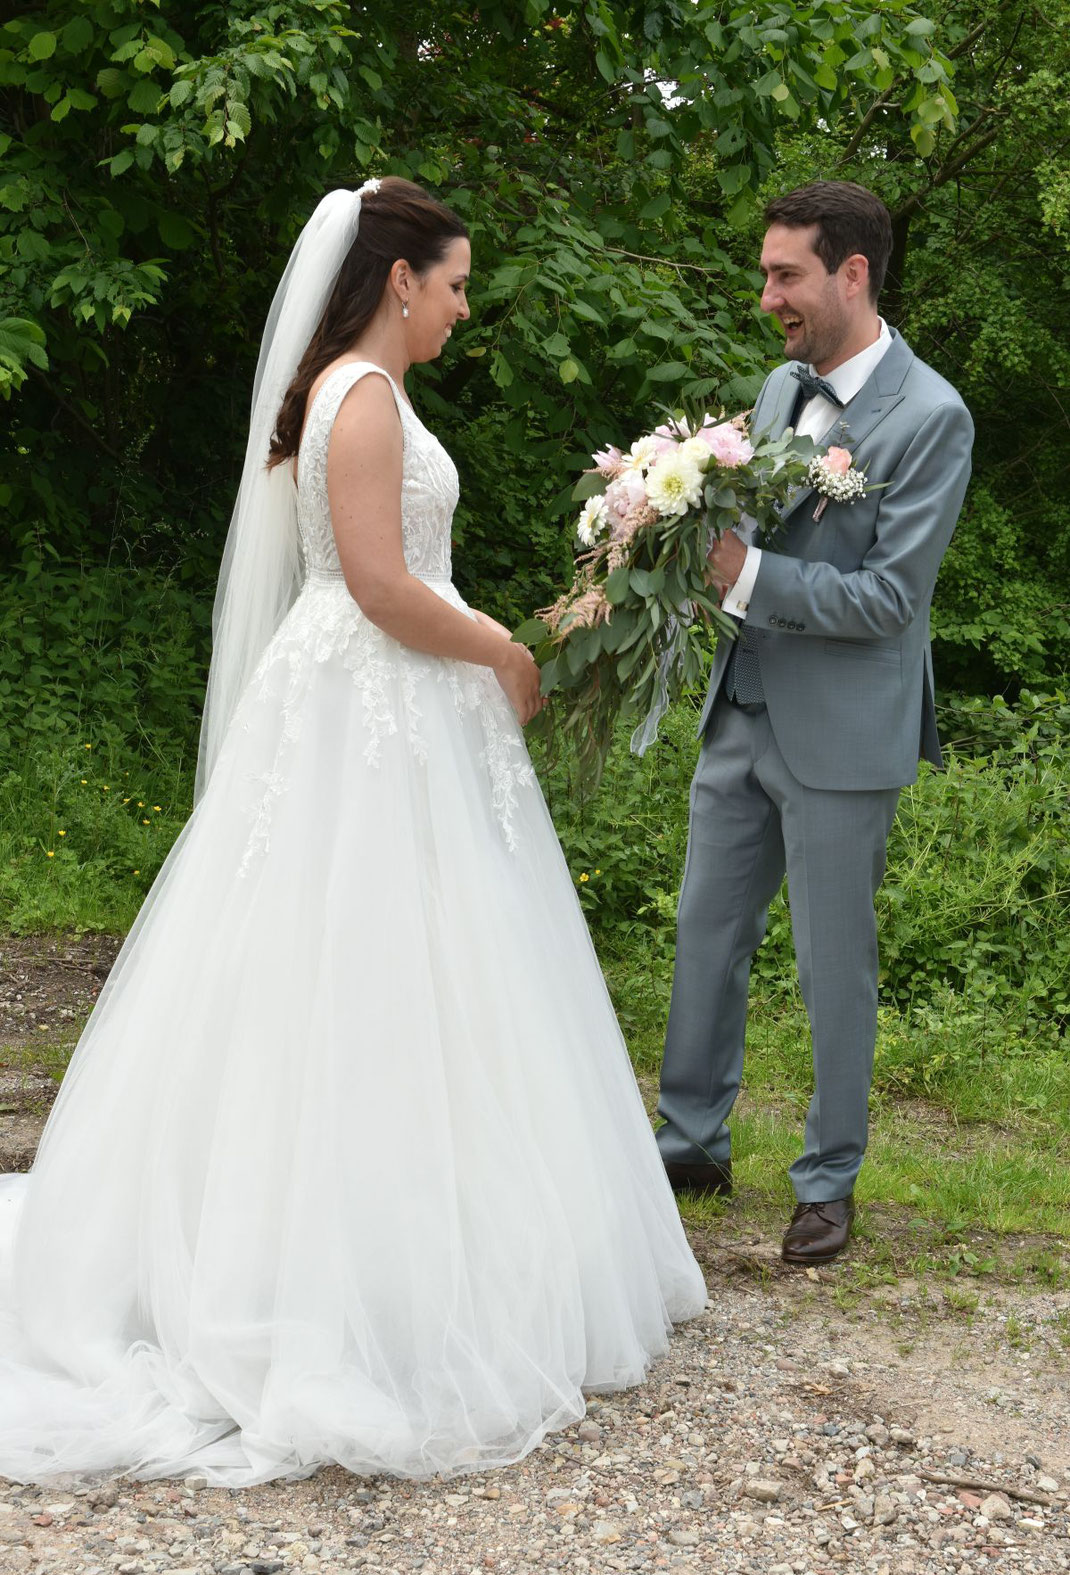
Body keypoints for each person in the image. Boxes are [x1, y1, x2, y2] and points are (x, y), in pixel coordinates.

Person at [0, 178, 705, 1487]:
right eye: (453, 283)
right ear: (397, 279)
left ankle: (387, 1243)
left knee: (370, 968)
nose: (461, 306)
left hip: (364, 700)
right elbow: (382, 587)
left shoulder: (342, 390)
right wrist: (502, 643)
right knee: (369, 967)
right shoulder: (364, 400)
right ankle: (358, 1279)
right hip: (373, 702)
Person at [656, 180, 973, 1265]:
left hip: (842, 734)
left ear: (851, 274)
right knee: (705, 937)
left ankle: (827, 1180)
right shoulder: (777, 386)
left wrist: (746, 576)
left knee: (829, 964)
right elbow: (737, 518)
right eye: (762, 273)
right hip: (740, 710)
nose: (766, 297)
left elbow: (889, 599)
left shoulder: (931, 417)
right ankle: (689, 1141)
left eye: (784, 275)